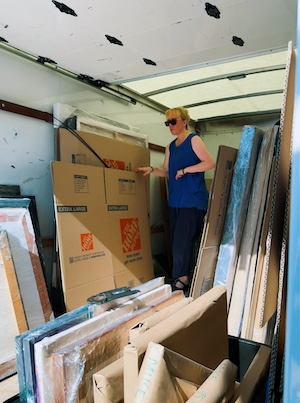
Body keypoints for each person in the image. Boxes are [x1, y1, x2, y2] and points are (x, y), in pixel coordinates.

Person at [135, 107, 215, 292]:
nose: (170, 125)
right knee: (176, 242)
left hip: (193, 200)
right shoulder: (170, 147)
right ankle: (183, 277)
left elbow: (209, 163)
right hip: (176, 202)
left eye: (173, 121)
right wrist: (151, 170)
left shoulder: (193, 140)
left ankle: (183, 280)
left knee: (181, 241)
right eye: (167, 122)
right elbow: (166, 170)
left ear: (184, 121)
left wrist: (186, 170)